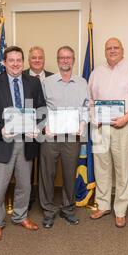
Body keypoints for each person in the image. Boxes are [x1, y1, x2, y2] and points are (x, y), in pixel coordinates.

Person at [0, 46, 46, 242]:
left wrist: (38, 126)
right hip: (3, 140)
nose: (16, 64)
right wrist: (0, 128)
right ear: (4, 62)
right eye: (11, 60)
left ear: (23, 62)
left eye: (19, 60)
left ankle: (20, 216)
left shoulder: (33, 82)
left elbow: (41, 108)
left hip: (26, 142)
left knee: (24, 185)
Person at [88, 37, 128, 228]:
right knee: (101, 167)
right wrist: (93, 117)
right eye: (108, 48)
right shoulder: (96, 72)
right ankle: (103, 205)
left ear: (122, 50)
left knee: (122, 169)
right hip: (100, 127)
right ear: (105, 51)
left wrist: (126, 118)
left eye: (116, 47)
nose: (112, 50)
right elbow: (89, 100)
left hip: (123, 125)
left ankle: (120, 210)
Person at [39, 45, 88, 228]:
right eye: (61, 57)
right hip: (51, 136)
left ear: (73, 60)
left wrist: (82, 124)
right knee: (47, 174)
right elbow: (40, 106)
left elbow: (85, 107)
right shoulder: (47, 82)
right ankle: (48, 211)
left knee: (69, 174)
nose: (65, 60)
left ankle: (68, 209)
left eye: (68, 57)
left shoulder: (82, 82)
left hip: (72, 137)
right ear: (58, 60)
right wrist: (45, 127)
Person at [22, 46, 53, 210]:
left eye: (40, 57)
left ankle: (44, 199)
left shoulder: (52, 78)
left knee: (45, 165)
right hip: (28, 129)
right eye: (33, 57)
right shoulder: (21, 76)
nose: (37, 60)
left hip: (48, 129)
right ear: (29, 60)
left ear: (44, 59)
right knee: (28, 164)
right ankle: (28, 198)